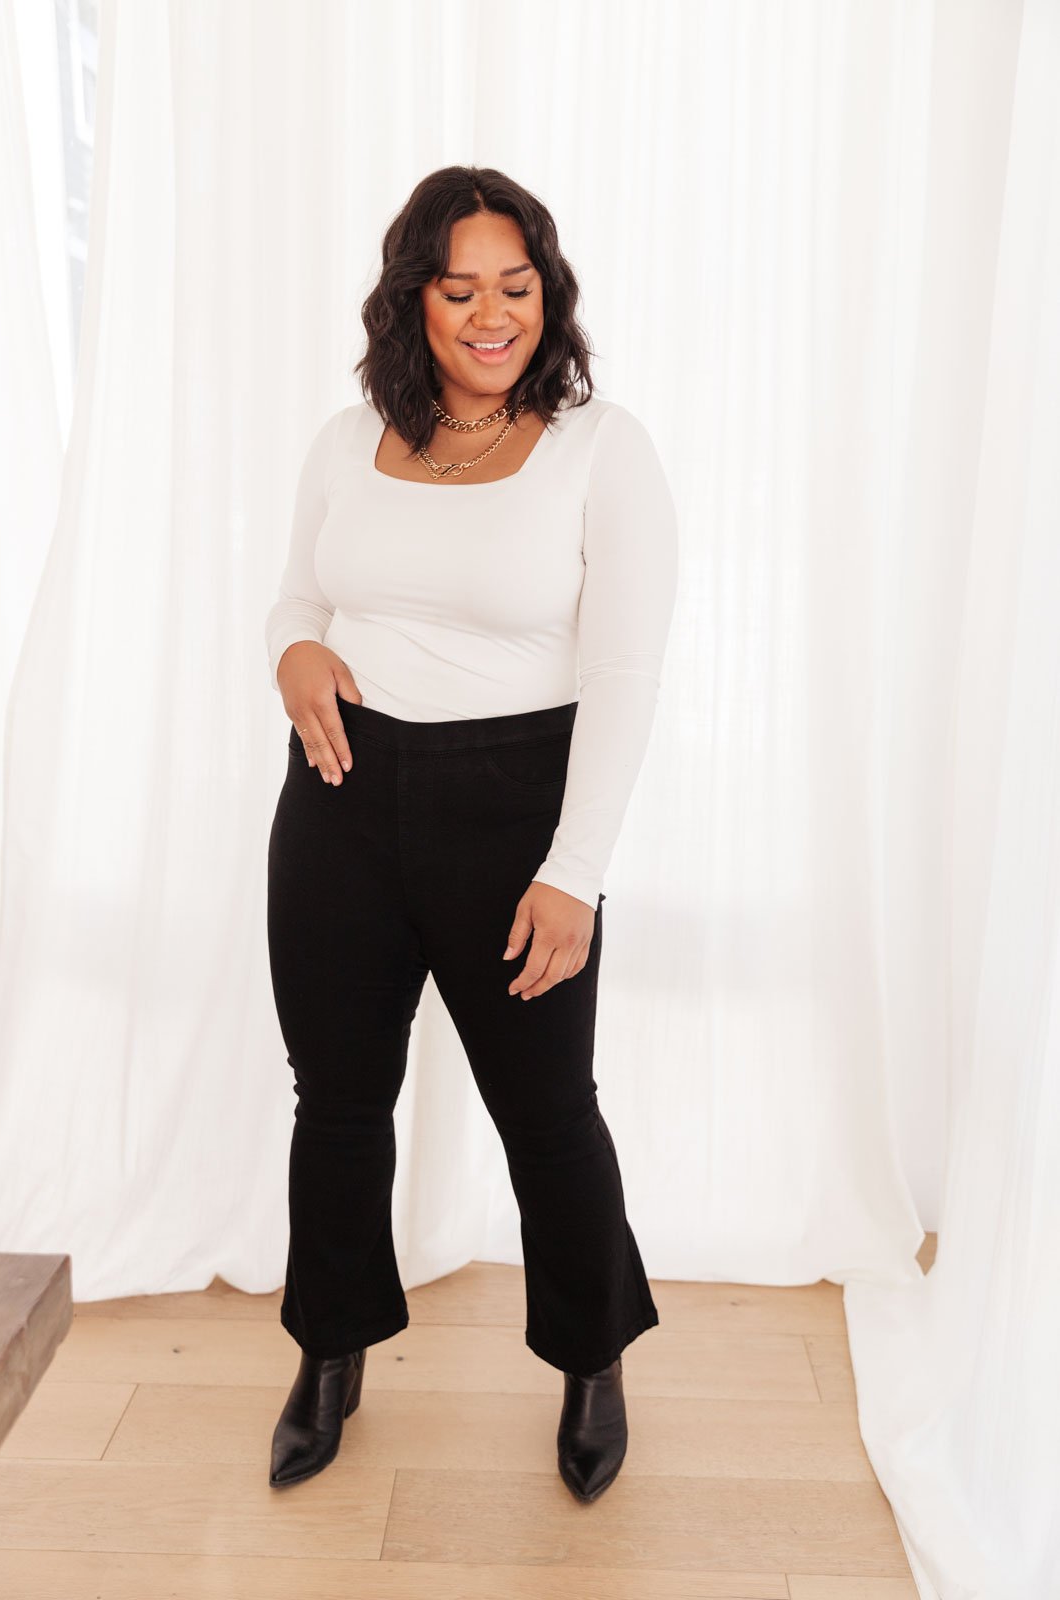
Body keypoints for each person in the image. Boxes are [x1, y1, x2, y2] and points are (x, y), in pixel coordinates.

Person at [264, 165, 679, 1503]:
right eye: (460, 291)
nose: (493, 315)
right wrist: (293, 655)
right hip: (339, 800)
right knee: (337, 1103)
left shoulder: (602, 450)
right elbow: (297, 600)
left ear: (547, 295)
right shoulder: (349, 440)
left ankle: (592, 1358)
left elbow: (624, 675)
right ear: (413, 303)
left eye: (517, 285)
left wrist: (575, 875)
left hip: (515, 811)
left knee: (548, 1115)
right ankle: (330, 1351)